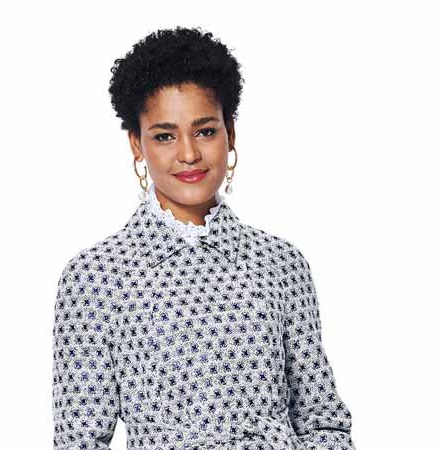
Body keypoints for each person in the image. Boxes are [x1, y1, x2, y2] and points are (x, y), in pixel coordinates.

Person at [52, 26, 357, 450]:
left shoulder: (281, 263)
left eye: (205, 131)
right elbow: (79, 441)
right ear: (136, 144)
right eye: (164, 136)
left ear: (230, 132)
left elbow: (325, 423)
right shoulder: (95, 278)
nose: (189, 154)